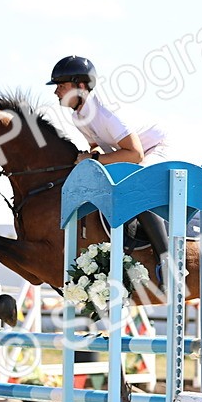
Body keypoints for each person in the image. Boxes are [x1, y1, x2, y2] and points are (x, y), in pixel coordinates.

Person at [47, 55, 171, 285]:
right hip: (130, 150)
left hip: (154, 148)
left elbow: (135, 155)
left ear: (80, 86)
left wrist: (93, 158)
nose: (56, 93)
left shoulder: (105, 111)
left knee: (137, 185)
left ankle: (167, 261)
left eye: (61, 86)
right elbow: (96, 146)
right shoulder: (77, 115)